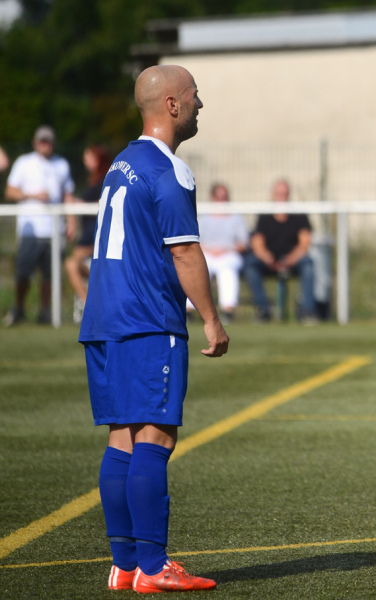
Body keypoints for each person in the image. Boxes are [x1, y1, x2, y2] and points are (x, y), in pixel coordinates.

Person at [78, 65, 228, 593]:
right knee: (155, 435)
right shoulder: (169, 169)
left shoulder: (120, 164)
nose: (199, 104)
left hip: (103, 318)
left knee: (122, 436)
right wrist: (211, 319)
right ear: (171, 104)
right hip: (146, 319)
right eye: (194, 95)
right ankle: (153, 565)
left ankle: (125, 565)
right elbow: (184, 251)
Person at [4, 125, 75, 326]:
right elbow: (10, 191)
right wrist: (32, 195)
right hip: (30, 230)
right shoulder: (23, 163)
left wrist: (71, 221)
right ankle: (19, 308)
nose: (45, 145)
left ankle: (45, 311)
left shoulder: (62, 164)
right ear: (35, 143)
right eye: (42, 141)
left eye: (48, 141)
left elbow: (67, 195)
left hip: (54, 230)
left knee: (50, 275)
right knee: (23, 272)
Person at [244, 179, 317, 322]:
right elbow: (257, 242)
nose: (282, 198)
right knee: (250, 265)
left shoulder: (299, 215)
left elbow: (305, 243)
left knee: (308, 264)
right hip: (269, 262)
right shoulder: (265, 215)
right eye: (279, 194)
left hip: (293, 261)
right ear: (273, 195)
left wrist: (290, 259)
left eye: (285, 194)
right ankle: (263, 310)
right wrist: (266, 257)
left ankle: (307, 311)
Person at [187, 183, 248, 323]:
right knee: (197, 270)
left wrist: (225, 250)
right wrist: (209, 250)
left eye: (224, 197)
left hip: (229, 254)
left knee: (227, 270)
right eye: (218, 197)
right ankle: (189, 310)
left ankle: (228, 310)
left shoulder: (236, 218)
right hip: (206, 253)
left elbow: (244, 242)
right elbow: (196, 240)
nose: (221, 200)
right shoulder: (204, 217)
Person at [65, 145, 112, 322]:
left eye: (89, 157)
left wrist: (80, 203)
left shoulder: (106, 179)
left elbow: (105, 202)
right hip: (88, 238)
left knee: (71, 263)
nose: (85, 161)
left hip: (97, 239)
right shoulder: (93, 180)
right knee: (72, 264)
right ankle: (89, 304)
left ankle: (89, 306)